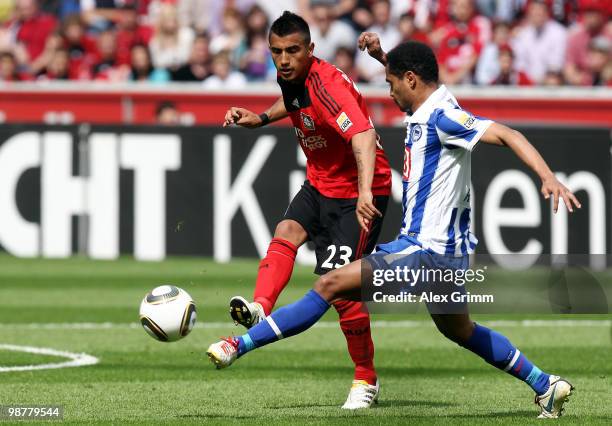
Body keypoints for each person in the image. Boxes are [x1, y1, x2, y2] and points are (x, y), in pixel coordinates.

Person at [207, 33, 581, 419]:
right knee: (460, 330)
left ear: (412, 81)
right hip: (448, 257)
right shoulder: (430, 103)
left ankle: (239, 344)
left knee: (329, 284)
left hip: (425, 250)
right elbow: (407, 75)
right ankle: (546, 384)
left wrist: (547, 176)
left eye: (391, 84)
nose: (389, 93)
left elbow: (508, 133)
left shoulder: (443, 117)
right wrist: (382, 56)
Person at [217, 11, 392, 409]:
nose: (283, 59)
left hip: (358, 194)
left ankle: (366, 379)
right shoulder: (292, 76)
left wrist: (364, 192)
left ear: (310, 50)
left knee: (343, 291)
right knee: (286, 232)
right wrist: (260, 118)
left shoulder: (328, 85)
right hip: (320, 182)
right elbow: (294, 102)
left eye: (293, 51)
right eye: (276, 51)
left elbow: (362, 134)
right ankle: (261, 308)